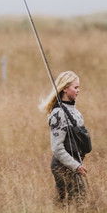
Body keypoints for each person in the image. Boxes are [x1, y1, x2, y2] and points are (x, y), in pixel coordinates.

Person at [44, 70, 90, 204]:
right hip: (62, 166)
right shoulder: (58, 114)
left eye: (79, 87)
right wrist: (75, 166)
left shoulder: (76, 112)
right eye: (75, 87)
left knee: (68, 202)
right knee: (75, 202)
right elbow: (57, 148)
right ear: (65, 88)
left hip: (74, 163)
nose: (78, 90)